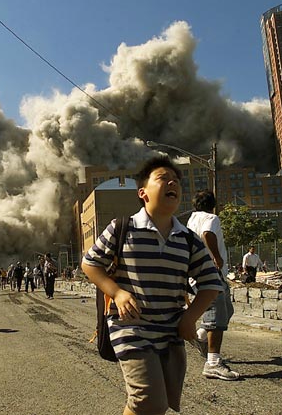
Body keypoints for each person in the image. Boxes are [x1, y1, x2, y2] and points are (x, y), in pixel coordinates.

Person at [82, 156, 222, 415]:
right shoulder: (121, 228)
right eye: (162, 178)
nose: (172, 182)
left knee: (154, 405)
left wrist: (191, 317)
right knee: (149, 400)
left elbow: (211, 283)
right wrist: (117, 292)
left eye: (176, 180)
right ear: (142, 192)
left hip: (170, 332)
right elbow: (90, 264)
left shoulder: (188, 240)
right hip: (130, 328)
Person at [187, 190, 241, 381]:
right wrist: (217, 258)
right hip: (209, 272)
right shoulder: (211, 217)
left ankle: (201, 336)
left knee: (227, 310)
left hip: (199, 272)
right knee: (216, 316)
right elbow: (207, 234)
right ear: (213, 204)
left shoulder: (191, 219)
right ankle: (213, 363)